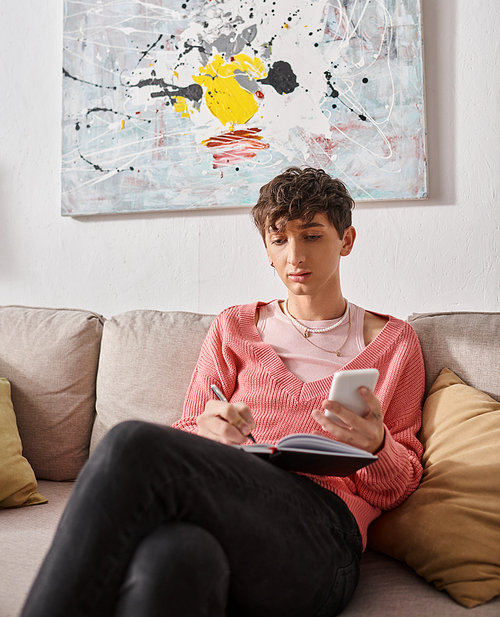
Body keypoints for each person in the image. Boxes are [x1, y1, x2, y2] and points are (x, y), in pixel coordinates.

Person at [21, 167, 425, 617]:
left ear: (346, 240)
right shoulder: (233, 326)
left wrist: (378, 445)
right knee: (173, 557)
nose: (295, 255)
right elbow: (190, 427)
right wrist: (210, 432)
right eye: (279, 239)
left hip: (323, 538)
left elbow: (399, 487)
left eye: (311, 236)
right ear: (266, 250)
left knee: (130, 443)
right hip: (235, 507)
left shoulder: (395, 343)